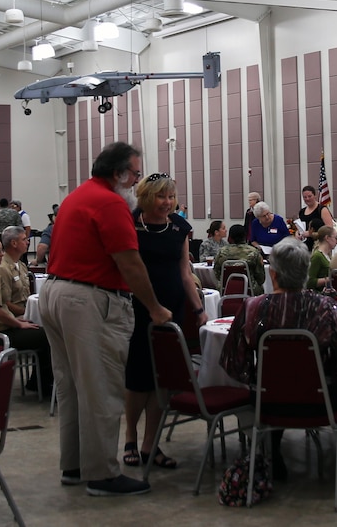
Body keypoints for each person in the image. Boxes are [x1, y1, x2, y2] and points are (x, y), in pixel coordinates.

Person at [39, 141, 171, 497]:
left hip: (55, 293)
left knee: (71, 387)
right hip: (88, 299)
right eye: (135, 174)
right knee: (101, 389)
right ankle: (102, 474)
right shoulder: (111, 202)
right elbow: (129, 262)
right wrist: (155, 308)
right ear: (118, 174)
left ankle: (75, 465)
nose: (136, 182)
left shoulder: (77, 196)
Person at [219, 236, 337, 482]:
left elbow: (233, 364)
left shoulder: (251, 307)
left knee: (272, 382)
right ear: (306, 272)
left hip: (268, 403)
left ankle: (272, 453)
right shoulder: (328, 308)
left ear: (273, 275)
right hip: (322, 402)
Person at [123, 173, 204, 471]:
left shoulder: (179, 227)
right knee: (138, 378)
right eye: (160, 196)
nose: (167, 202)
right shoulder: (130, 224)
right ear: (146, 197)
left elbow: (185, 272)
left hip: (172, 311)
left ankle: (149, 444)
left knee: (163, 378)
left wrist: (198, 309)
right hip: (138, 309)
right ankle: (130, 437)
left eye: (170, 197)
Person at [0, 236, 53, 391]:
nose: (1, 254)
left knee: (38, 330)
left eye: (1, 250)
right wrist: (19, 323)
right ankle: (43, 383)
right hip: (1, 332)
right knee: (48, 335)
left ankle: (37, 381)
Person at [213, 224, 267, 295]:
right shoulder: (254, 252)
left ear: (230, 237)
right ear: (245, 236)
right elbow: (261, 277)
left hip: (226, 288)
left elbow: (217, 273)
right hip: (250, 289)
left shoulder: (221, 252)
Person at [0, 227, 33, 316]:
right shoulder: (2, 268)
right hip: (14, 317)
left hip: (25, 312)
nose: (27, 242)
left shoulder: (21, 265)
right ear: (14, 243)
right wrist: (28, 313)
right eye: (24, 239)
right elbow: (5, 304)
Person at [307, 225, 337, 290]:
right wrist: (330, 279)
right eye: (335, 238)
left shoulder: (328, 255)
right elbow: (309, 282)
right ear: (327, 238)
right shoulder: (317, 256)